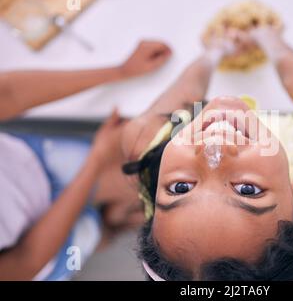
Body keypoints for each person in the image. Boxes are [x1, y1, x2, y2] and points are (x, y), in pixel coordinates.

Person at [121, 27, 293, 280]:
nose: (214, 150)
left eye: (181, 187)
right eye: (247, 190)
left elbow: (187, 90)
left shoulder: (144, 138)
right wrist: (270, 39)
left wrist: (215, 50)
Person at [0, 40, 172, 280]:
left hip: (32, 164)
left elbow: (7, 93)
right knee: (152, 180)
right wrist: (96, 160)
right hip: (38, 256)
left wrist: (121, 71)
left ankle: (108, 221)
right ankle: (105, 227)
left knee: (147, 168)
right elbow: (27, 259)